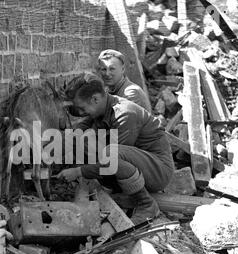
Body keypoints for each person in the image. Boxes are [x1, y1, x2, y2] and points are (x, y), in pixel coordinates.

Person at [57, 73, 174, 224]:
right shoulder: (103, 108)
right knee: (83, 140)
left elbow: (111, 161)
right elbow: (79, 129)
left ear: (95, 99)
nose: (79, 113)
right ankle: (111, 189)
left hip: (158, 171)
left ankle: (146, 204)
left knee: (110, 153)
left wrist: (78, 172)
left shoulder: (124, 114)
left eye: (81, 108)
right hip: (136, 166)